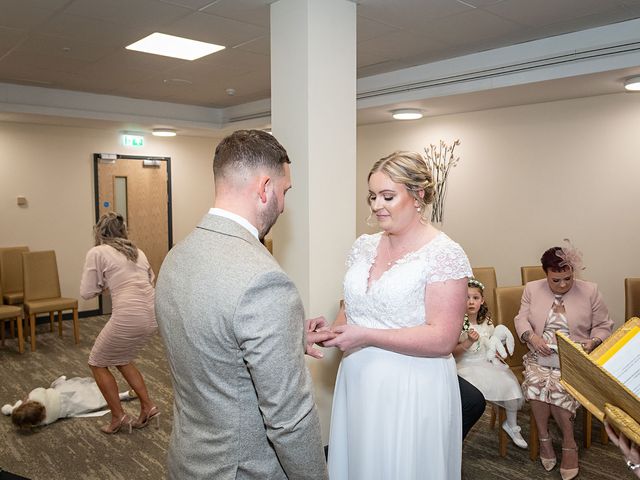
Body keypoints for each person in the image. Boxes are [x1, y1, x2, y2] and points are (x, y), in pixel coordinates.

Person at [155, 130, 329, 480]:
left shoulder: (177, 256)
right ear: (265, 188)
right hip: (243, 469)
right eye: (284, 191)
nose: (283, 203)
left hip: (189, 460)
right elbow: (289, 419)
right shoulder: (264, 280)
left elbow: (211, 347)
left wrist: (286, 340)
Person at [324, 151, 470, 479]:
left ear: (418, 196)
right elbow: (352, 308)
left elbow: (443, 338)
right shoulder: (363, 246)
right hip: (358, 379)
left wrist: (366, 336)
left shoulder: (444, 254)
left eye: (388, 196)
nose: (377, 205)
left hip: (412, 385)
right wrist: (332, 331)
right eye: (373, 197)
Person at [514, 241, 613, 480]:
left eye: (567, 278)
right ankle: (545, 439)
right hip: (540, 355)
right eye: (556, 280)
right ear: (546, 274)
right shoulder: (532, 288)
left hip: (574, 359)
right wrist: (532, 337)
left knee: (559, 389)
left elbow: (603, 326)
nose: (563, 284)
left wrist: (593, 343)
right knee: (537, 385)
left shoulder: (590, 291)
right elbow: (521, 319)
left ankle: (569, 444)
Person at [80, 212, 159, 434]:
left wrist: (106, 285)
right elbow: (150, 279)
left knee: (97, 362)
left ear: (99, 232)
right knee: (123, 358)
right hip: (153, 313)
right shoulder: (138, 252)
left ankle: (118, 416)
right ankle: (148, 406)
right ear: (123, 232)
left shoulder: (98, 252)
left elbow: (87, 292)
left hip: (129, 316)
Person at [454, 278, 527, 448]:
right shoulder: (457, 324)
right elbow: (452, 353)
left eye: (475, 298)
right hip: (464, 366)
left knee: (509, 384)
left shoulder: (486, 322)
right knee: (475, 392)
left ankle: (511, 425)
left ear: (482, 300)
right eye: (466, 297)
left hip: (485, 362)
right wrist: (468, 342)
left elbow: (491, 343)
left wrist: (495, 353)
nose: (471, 302)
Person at [2, 376, 135, 428]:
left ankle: (122, 396)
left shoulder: (46, 421)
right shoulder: (35, 395)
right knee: (86, 389)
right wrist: (15, 407)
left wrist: (13, 410)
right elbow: (40, 390)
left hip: (72, 407)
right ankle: (60, 381)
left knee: (94, 401)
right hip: (64, 393)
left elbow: (25, 412)